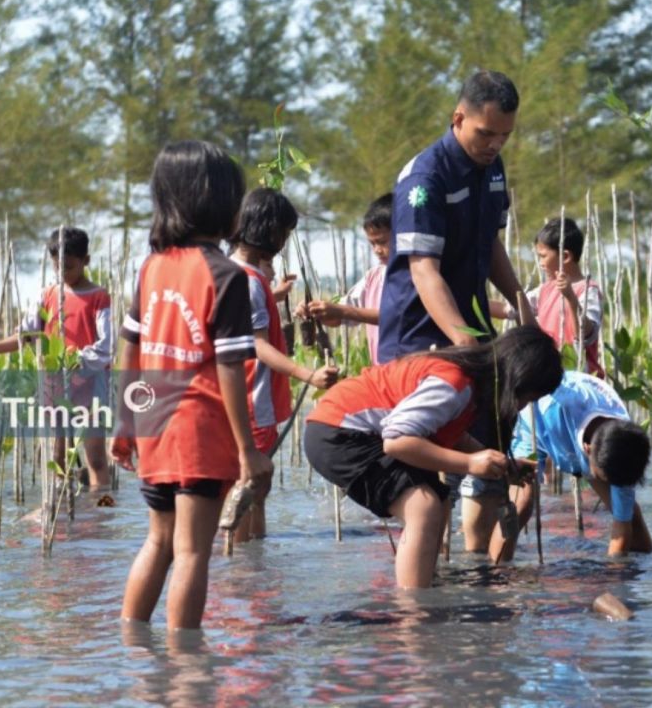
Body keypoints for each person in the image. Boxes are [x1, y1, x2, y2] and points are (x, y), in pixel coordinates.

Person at [112, 140, 274, 631]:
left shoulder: (151, 267)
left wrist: (123, 424)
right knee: (192, 553)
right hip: (199, 431)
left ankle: (134, 651)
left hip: (154, 427)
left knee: (158, 542)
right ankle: (186, 671)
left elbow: (129, 352)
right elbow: (230, 369)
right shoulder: (225, 276)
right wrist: (249, 451)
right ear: (222, 205)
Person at [302, 324, 562, 588]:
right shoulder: (455, 382)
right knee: (423, 507)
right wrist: (472, 463)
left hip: (353, 431)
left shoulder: (472, 387)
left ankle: (426, 585)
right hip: (338, 431)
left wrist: (504, 465)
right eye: (527, 398)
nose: (521, 407)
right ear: (516, 381)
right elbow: (397, 440)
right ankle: (414, 615)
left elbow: (451, 435)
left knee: (437, 499)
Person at [377, 69, 534, 363]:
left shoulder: (493, 167)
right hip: (420, 344)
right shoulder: (425, 179)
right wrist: (464, 340)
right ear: (459, 119)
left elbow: (490, 244)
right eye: (486, 133)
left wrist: (525, 312)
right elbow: (423, 270)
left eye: (505, 135)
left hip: (471, 334)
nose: (496, 145)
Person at [229, 187, 339, 543]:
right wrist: (308, 374)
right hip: (251, 399)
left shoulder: (232, 272)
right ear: (268, 230)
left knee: (250, 490)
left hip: (235, 400)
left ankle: (251, 569)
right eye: (284, 234)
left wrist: (272, 295)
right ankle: (249, 573)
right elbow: (258, 346)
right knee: (252, 491)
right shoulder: (248, 282)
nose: (284, 242)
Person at [0, 227, 113, 489]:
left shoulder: (99, 297)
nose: (63, 273)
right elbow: (25, 336)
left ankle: (100, 519)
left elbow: (106, 347)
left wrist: (76, 359)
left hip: (91, 383)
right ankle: (60, 517)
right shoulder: (47, 295)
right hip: (53, 383)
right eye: (57, 267)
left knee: (96, 459)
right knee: (57, 455)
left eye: (69, 267)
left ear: (86, 261)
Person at [485, 370, 652, 563]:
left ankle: (643, 565)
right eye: (602, 476)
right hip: (535, 422)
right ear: (587, 450)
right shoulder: (555, 408)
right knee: (521, 504)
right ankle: (497, 572)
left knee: (627, 511)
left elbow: (622, 527)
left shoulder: (623, 443)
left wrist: (616, 581)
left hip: (588, 432)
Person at [499, 218, 605, 377]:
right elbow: (510, 309)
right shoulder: (545, 290)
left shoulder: (588, 290)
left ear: (566, 256)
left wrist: (571, 298)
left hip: (580, 379)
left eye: (543, 256)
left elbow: (587, 335)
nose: (540, 263)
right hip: (550, 377)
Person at [302, 193, 392, 364]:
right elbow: (339, 317)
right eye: (372, 244)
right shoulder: (373, 277)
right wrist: (318, 311)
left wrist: (342, 311)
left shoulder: (418, 275)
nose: (377, 250)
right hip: (382, 374)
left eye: (382, 242)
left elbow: (399, 317)